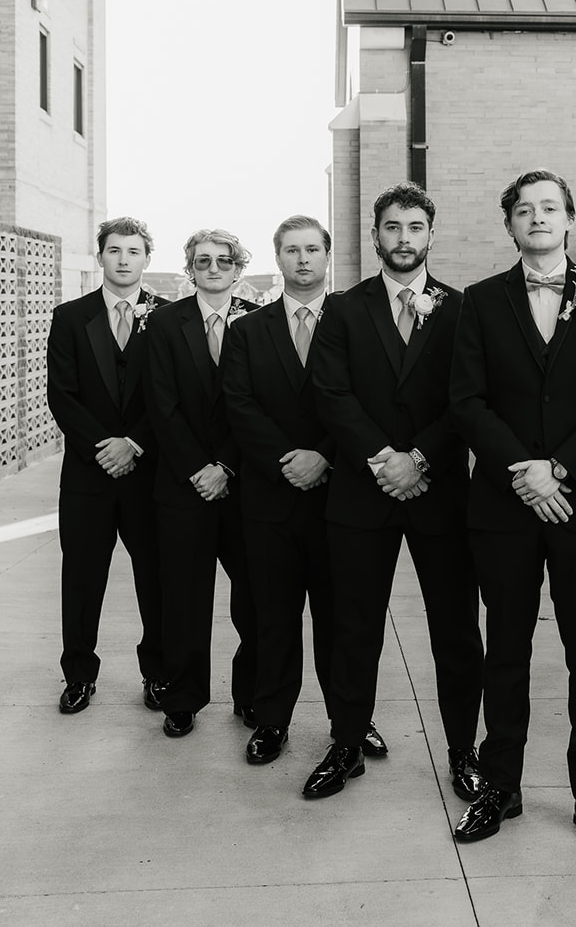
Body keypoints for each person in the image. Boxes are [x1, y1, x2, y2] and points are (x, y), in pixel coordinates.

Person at [449, 169, 576, 857]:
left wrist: (558, 468)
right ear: (509, 225)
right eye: (523, 210)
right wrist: (522, 472)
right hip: (504, 506)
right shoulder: (479, 301)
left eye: (549, 208)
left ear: (569, 219)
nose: (537, 217)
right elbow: (466, 400)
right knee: (506, 649)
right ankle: (501, 784)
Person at [303, 183, 484, 801]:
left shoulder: (463, 310)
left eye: (414, 227)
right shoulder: (343, 310)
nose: (403, 238)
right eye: (391, 227)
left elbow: (468, 399)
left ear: (432, 234)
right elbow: (331, 395)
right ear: (375, 235)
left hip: (441, 495)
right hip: (361, 491)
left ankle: (465, 750)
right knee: (353, 625)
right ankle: (347, 741)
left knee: (456, 629)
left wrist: (421, 458)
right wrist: (385, 461)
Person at [221, 216, 386, 767]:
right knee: (273, 616)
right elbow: (239, 405)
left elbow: (366, 401)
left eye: (313, 249)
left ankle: (351, 724)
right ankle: (271, 721)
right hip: (271, 497)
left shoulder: (359, 320)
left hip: (342, 497)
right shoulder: (248, 329)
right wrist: (285, 461)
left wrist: (327, 456)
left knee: (343, 620)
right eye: (291, 250)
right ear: (278, 258)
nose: (303, 259)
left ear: (328, 255)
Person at [46, 217, 168, 715]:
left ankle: (158, 674)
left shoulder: (167, 317)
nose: (123, 259)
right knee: (81, 576)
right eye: (114, 250)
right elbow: (62, 395)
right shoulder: (70, 317)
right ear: (100, 257)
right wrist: (105, 446)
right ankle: (78, 675)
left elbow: (170, 396)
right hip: (87, 474)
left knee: (157, 578)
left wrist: (134, 443)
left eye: (133, 251)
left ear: (146, 259)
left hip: (149, 475)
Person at [143, 229, 259, 740]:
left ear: (238, 268)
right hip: (183, 485)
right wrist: (199, 469)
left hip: (242, 487)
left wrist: (227, 466)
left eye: (224, 260)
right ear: (190, 269)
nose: (213, 267)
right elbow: (160, 403)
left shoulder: (259, 320)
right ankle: (183, 698)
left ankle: (252, 696)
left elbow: (260, 405)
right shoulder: (165, 322)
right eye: (203, 261)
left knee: (254, 598)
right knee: (184, 599)